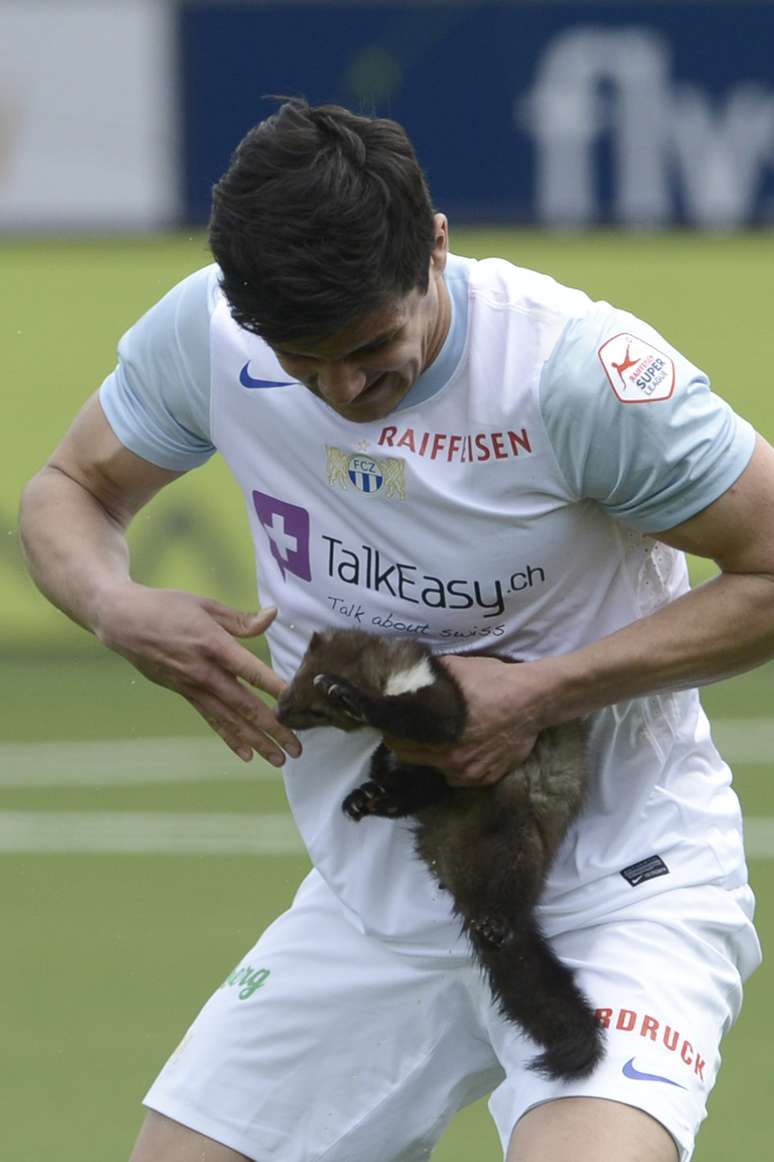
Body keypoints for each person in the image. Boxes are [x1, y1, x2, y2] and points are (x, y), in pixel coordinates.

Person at [20, 99, 771, 1162]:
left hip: (614, 893)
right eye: (303, 359)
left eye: (372, 348)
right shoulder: (209, 334)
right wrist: (112, 603)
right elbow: (71, 488)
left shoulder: (575, 375)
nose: (343, 388)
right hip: (373, 909)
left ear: (437, 245)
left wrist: (545, 691)